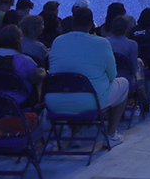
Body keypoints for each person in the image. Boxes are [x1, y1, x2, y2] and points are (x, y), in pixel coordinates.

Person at [46, 8, 128, 148]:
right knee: (124, 83)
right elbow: (112, 75)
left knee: (69, 86)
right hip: (90, 101)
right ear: (91, 24)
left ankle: (75, 133)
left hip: (54, 102)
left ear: (73, 22)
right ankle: (111, 135)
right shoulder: (102, 43)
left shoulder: (58, 41)